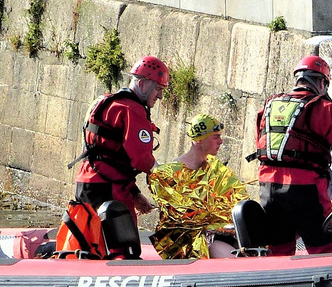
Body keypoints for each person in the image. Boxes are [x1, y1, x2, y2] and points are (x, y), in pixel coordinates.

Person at [254, 55, 332, 257]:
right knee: (323, 249)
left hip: (268, 189)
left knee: (278, 250)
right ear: (321, 82)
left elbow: (262, 144)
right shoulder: (324, 109)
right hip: (307, 190)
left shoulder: (268, 106)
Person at [72, 56, 169, 226]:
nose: (160, 96)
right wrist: (165, 178)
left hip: (85, 184)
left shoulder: (104, 102)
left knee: (90, 242)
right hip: (110, 189)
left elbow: (107, 154)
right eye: (158, 89)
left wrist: (134, 193)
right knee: (123, 248)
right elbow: (141, 159)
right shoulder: (132, 110)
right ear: (143, 84)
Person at [148, 114, 245, 260]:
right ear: (199, 140)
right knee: (227, 256)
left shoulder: (215, 169)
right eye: (215, 137)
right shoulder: (169, 175)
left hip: (218, 234)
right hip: (184, 241)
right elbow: (183, 215)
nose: (221, 141)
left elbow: (238, 198)